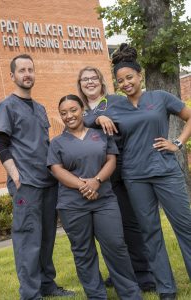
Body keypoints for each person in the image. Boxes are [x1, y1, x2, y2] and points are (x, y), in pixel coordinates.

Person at [92, 43, 191, 300]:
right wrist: (99, 117)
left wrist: (177, 143)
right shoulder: (111, 104)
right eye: (120, 80)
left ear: (140, 76)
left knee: (185, 227)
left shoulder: (159, 97)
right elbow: (83, 115)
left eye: (129, 77)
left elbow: (189, 116)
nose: (125, 83)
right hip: (135, 177)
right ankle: (166, 289)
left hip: (166, 171)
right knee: (150, 232)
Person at [0, 54, 74, 300]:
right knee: (28, 239)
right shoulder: (6, 106)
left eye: (30, 69)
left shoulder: (39, 108)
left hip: (48, 182)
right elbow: (1, 143)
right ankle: (30, 293)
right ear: (13, 75)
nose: (27, 74)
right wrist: (15, 176)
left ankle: (47, 284)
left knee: (47, 237)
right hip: (26, 184)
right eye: (22, 70)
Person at [47, 94, 143, 300]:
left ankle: (130, 294)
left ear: (82, 110)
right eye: (63, 113)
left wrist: (96, 181)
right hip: (72, 205)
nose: (69, 116)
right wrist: (84, 185)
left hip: (104, 200)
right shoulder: (57, 142)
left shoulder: (100, 135)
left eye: (73, 110)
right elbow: (56, 169)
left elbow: (111, 160)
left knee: (116, 246)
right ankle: (96, 295)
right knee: (83, 252)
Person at [77, 66, 156, 292]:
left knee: (129, 223)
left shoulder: (116, 101)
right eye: (85, 80)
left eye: (93, 78)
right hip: (93, 172)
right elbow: (78, 123)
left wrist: (101, 114)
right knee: (108, 228)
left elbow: (135, 118)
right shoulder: (80, 109)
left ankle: (144, 273)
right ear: (80, 85)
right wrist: (96, 116)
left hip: (121, 168)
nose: (90, 82)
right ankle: (119, 272)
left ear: (101, 82)